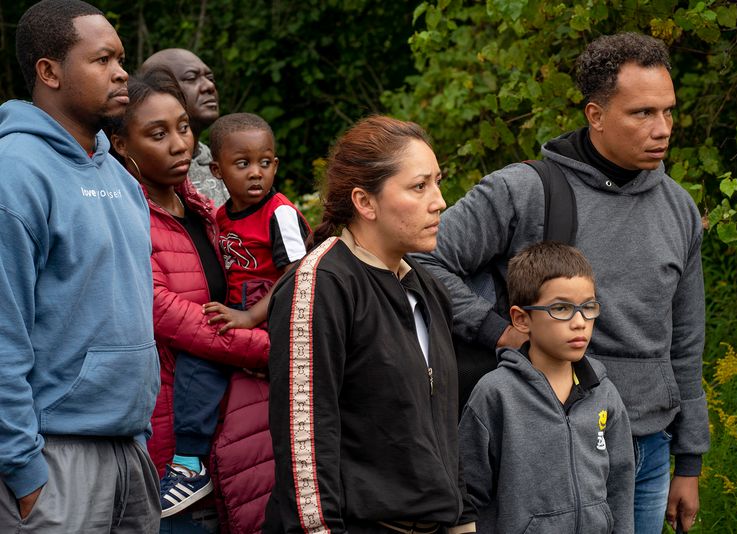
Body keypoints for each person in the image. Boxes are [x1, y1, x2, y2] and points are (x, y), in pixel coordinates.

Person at [416, 32, 709, 533]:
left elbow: (685, 341)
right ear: (595, 115)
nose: (662, 129)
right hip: (548, 438)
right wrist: (496, 331)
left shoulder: (678, 207)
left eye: (668, 111)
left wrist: (689, 461)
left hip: (651, 447)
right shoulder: (523, 190)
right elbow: (424, 262)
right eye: (642, 113)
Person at [264, 115, 475, 534]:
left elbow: (442, 433)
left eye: (437, 181)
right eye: (419, 186)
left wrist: (462, 522)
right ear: (365, 202)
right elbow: (305, 444)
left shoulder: (427, 288)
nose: (440, 201)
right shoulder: (322, 285)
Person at [0, 1, 161, 532]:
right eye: (102, 60)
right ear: (49, 72)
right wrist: (24, 470)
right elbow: (3, 335)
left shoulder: (119, 175)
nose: (122, 73)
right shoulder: (14, 175)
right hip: (53, 460)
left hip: (130, 451)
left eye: (121, 58)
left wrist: (137, 437)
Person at [109, 67, 272, 533]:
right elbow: (169, 314)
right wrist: (272, 347)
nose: (181, 144)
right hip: (169, 430)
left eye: (183, 127)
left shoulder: (202, 206)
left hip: (232, 423)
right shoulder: (127, 215)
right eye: (157, 134)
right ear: (122, 145)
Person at [458, 241, 634, 533]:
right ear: (521, 319)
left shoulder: (604, 394)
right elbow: (468, 493)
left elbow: (620, 486)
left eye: (588, 308)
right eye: (561, 308)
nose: (580, 323)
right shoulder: (496, 394)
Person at [204, 112, 310, 330]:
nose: (256, 173)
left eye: (265, 162)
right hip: (236, 310)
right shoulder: (221, 216)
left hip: (273, 319)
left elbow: (295, 275)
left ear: (276, 165)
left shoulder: (280, 212)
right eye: (243, 164)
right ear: (217, 170)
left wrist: (251, 317)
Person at [142, 48, 229, 208]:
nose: (209, 86)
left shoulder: (223, 161)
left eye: (210, 78)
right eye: (191, 78)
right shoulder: (143, 174)